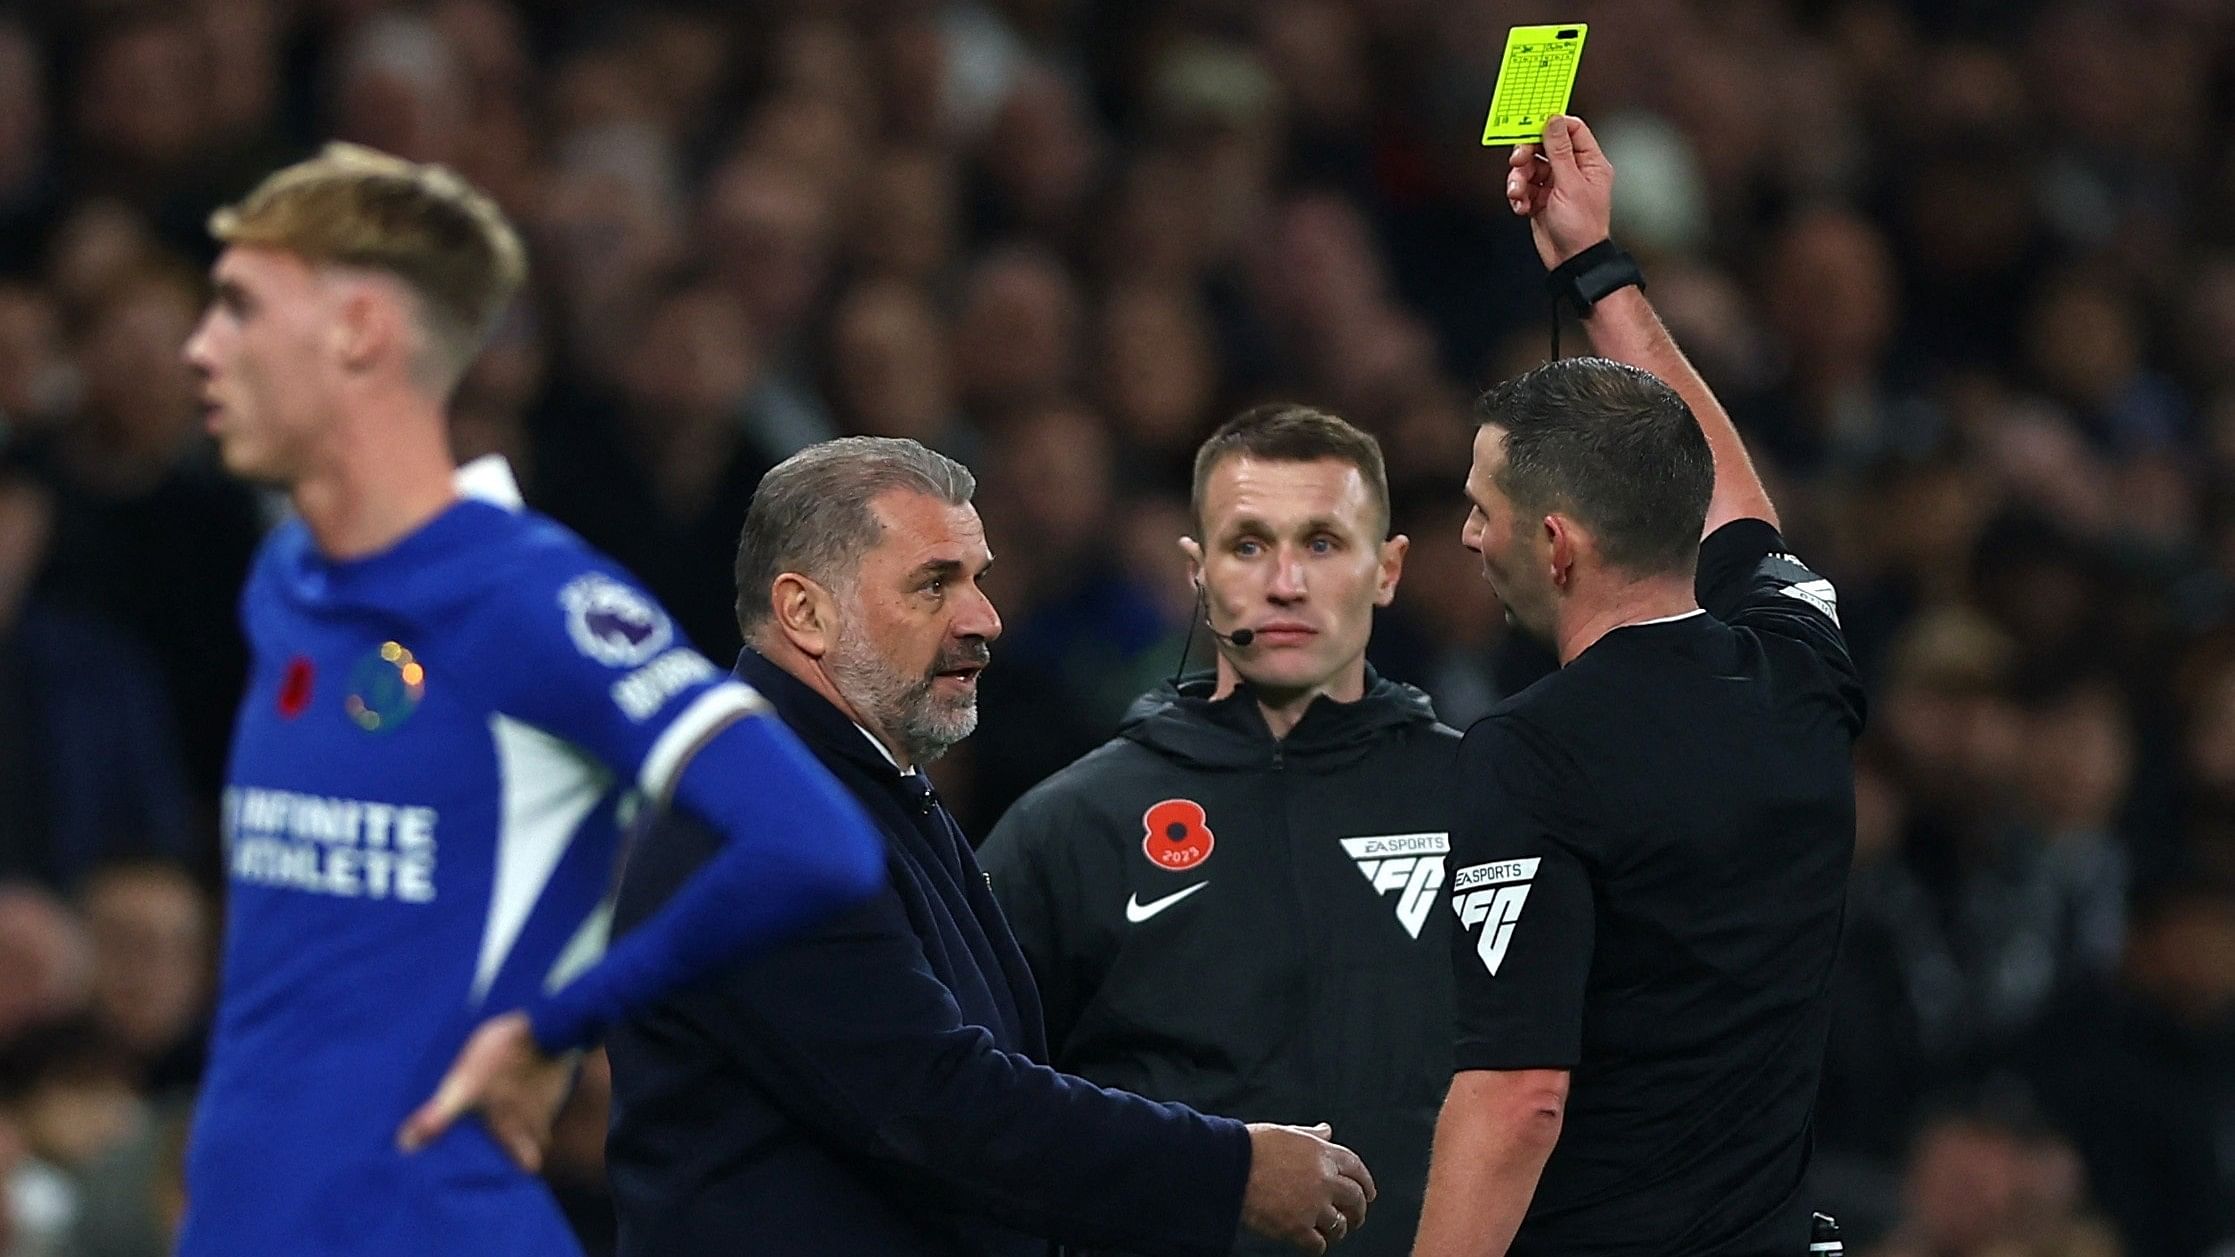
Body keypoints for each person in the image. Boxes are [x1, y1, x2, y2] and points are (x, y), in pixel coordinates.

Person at [173, 143, 887, 1256]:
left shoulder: (534, 599)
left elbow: (811, 842)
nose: (200, 349)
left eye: (239, 309)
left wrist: (558, 1026)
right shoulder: (285, 584)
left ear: (358, 332)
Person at [604, 436, 1377, 1257]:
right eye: (934, 583)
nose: (984, 619)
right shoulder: (763, 817)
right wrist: (1230, 1170)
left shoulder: (856, 782)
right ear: (805, 612)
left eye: (978, 578)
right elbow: (937, 1106)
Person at [1413, 115, 1867, 1257]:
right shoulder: (1800, 665)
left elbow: (1520, 1100)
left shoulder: (1532, 754)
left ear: (1556, 546)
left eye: (1484, 508)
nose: (1467, 536)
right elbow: (1736, 505)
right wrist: (1596, 267)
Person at [980, 404, 1461, 1256]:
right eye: (1248, 545)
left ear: (1386, 568)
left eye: (1321, 542)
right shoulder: (1071, 827)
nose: (1285, 582)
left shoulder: (1487, 804)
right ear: (1196, 573)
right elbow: (982, 1114)